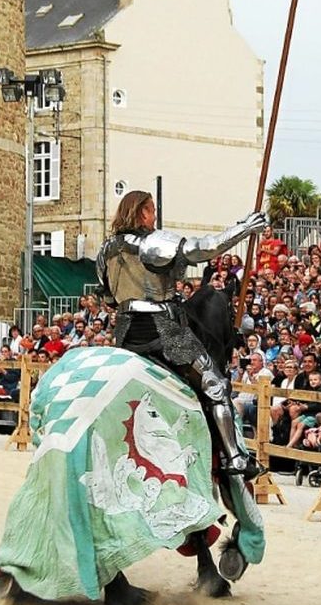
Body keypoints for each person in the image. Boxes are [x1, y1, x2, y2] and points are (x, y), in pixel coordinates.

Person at [97, 189, 269, 481]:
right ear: (141, 213)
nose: (154, 216)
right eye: (151, 210)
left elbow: (110, 299)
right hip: (161, 330)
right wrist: (245, 228)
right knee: (215, 385)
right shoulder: (151, 243)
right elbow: (204, 248)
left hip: (125, 335)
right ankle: (235, 458)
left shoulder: (105, 251)